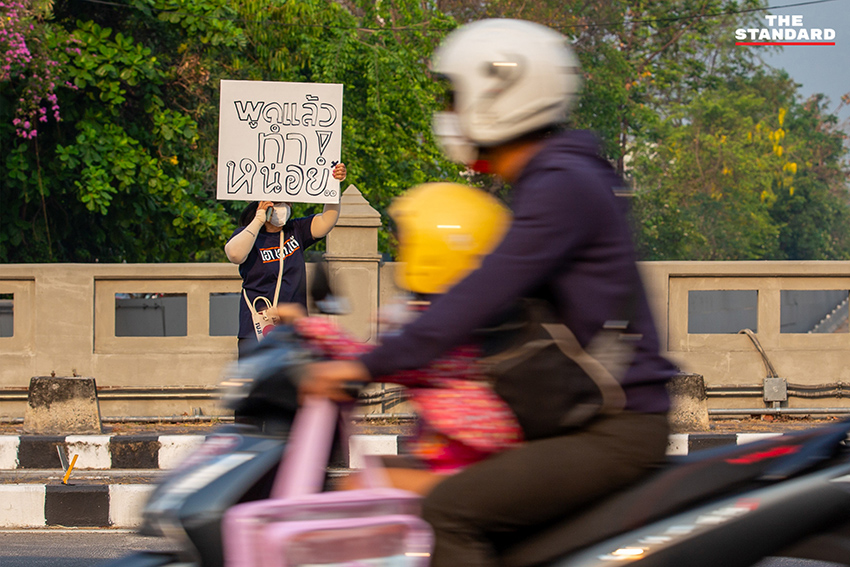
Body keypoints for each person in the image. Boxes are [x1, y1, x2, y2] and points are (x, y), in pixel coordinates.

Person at [300, 18, 677, 567]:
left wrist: (363, 368)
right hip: (584, 419)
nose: (449, 114)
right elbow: (475, 316)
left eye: (455, 97)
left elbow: (470, 301)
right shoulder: (561, 175)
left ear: (499, 93)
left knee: (452, 511)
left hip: (615, 431)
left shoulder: (560, 185)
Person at [225, 162, 347, 359]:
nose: (285, 208)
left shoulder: (296, 230)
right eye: (278, 203)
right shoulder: (249, 235)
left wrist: (334, 185)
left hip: (294, 331)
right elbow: (235, 254)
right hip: (256, 330)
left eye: (288, 203)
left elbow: (327, 221)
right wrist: (258, 219)